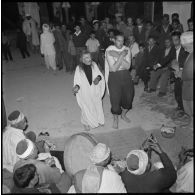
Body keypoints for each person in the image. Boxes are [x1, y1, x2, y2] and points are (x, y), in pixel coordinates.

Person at [105, 33, 134, 129]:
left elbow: (128, 66)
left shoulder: (127, 49)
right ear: (114, 40)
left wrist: (117, 55)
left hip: (126, 76)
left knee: (129, 98)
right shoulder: (109, 49)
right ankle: (115, 119)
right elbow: (113, 69)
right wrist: (121, 56)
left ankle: (123, 115)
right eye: (118, 40)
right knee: (115, 100)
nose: (121, 43)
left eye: (122, 40)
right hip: (114, 77)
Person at [72, 50, 105, 131]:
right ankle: (85, 122)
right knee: (86, 106)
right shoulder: (78, 68)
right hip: (85, 90)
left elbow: (99, 75)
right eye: (86, 58)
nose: (89, 59)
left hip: (94, 88)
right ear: (82, 60)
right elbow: (77, 80)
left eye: (89, 57)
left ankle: (98, 120)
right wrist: (76, 87)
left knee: (97, 104)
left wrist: (98, 78)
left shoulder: (94, 64)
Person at [171, 31, 189, 119]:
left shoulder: (186, 50)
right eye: (173, 40)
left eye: (176, 40)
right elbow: (168, 59)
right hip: (177, 73)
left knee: (184, 93)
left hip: (184, 74)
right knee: (177, 91)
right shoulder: (173, 49)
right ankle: (180, 106)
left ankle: (185, 110)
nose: (174, 42)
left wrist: (180, 69)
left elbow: (187, 63)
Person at [180, 31, 193, 128]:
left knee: (191, 106)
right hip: (188, 84)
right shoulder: (190, 52)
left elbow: (189, 73)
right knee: (188, 107)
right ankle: (191, 123)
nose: (184, 49)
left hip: (191, 86)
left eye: (186, 46)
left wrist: (179, 74)